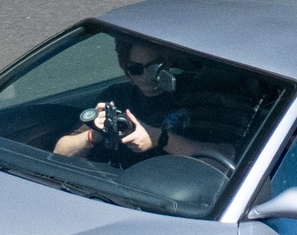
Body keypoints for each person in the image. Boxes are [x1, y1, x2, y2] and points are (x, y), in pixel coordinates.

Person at [53, 38, 233, 166]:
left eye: (155, 68)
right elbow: (60, 153)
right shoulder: (115, 96)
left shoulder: (197, 95)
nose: (147, 77)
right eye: (136, 69)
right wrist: (93, 135)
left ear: (169, 62)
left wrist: (160, 139)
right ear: (126, 68)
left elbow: (224, 158)